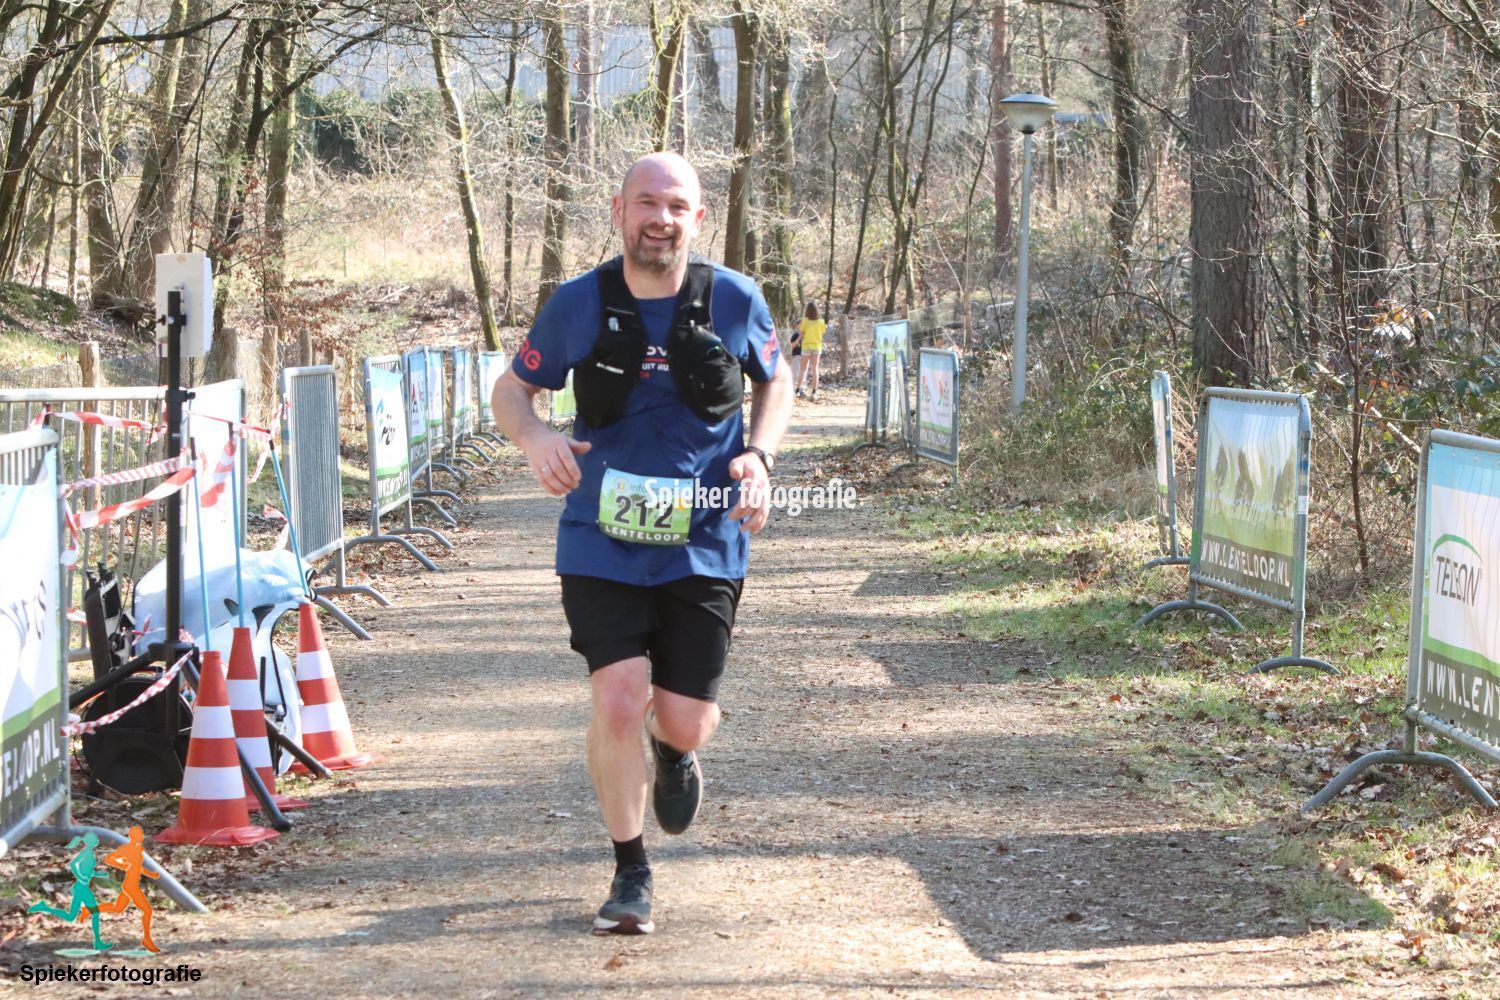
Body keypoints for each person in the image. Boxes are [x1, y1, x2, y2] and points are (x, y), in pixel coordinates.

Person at [491, 151, 794, 936]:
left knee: (686, 719)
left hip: (705, 537)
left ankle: (675, 748)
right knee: (619, 697)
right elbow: (512, 389)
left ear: (698, 217)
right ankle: (631, 870)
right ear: (619, 211)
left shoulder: (733, 298)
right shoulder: (578, 303)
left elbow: (776, 379)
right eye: (648, 203)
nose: (661, 219)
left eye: (677, 206)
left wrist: (758, 456)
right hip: (601, 537)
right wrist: (534, 438)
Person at [795, 302, 826, 401]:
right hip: (817, 347)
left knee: (802, 369)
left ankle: (797, 390)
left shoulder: (804, 321)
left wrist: (795, 342)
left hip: (806, 347)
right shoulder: (821, 322)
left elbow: (801, 334)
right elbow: (822, 333)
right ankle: (814, 392)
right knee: (815, 368)